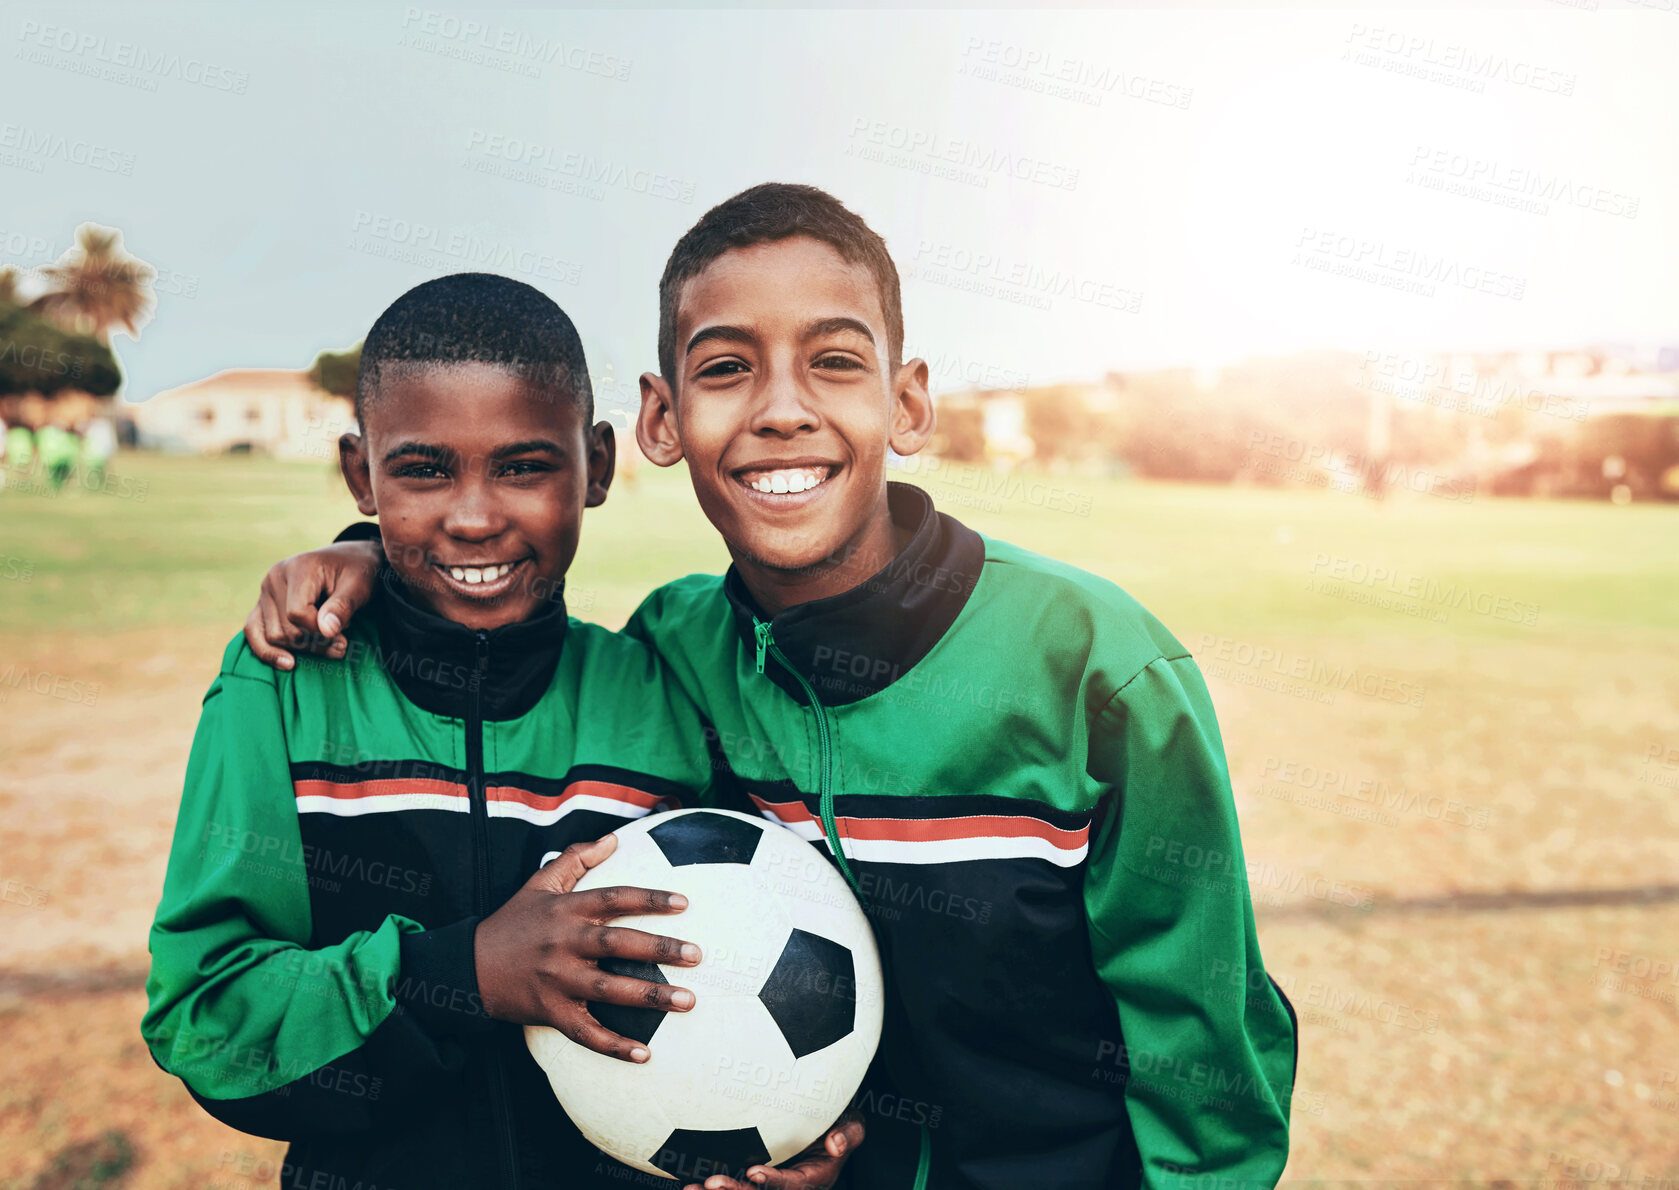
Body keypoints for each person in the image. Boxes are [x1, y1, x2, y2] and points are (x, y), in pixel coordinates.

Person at [244, 185, 1299, 1190]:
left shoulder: (1094, 667)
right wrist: (373, 562)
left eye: (834, 360)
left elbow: (1204, 1065)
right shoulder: (675, 653)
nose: (782, 410)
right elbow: (492, 602)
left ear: (907, 398)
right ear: (660, 420)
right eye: (726, 368)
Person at [146, 272, 857, 1190]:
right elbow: (206, 1016)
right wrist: (461, 974)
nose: (475, 516)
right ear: (361, 473)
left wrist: (781, 1135)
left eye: (524, 467)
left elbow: (760, 959)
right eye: (423, 469)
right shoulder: (281, 687)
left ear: (596, 466)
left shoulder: (662, 694)